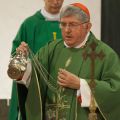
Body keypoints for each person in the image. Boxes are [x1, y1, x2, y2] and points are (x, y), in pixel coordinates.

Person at [11, 2, 120, 120]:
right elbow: (34, 80)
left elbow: (115, 91)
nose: (67, 30)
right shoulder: (50, 49)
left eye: (73, 24)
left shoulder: (105, 54)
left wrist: (81, 84)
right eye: (63, 24)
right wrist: (22, 64)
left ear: (87, 26)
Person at [8, 0, 64, 120]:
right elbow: (15, 59)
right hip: (36, 87)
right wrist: (21, 54)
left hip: (63, 86)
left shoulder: (70, 24)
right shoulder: (29, 25)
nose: (56, 2)